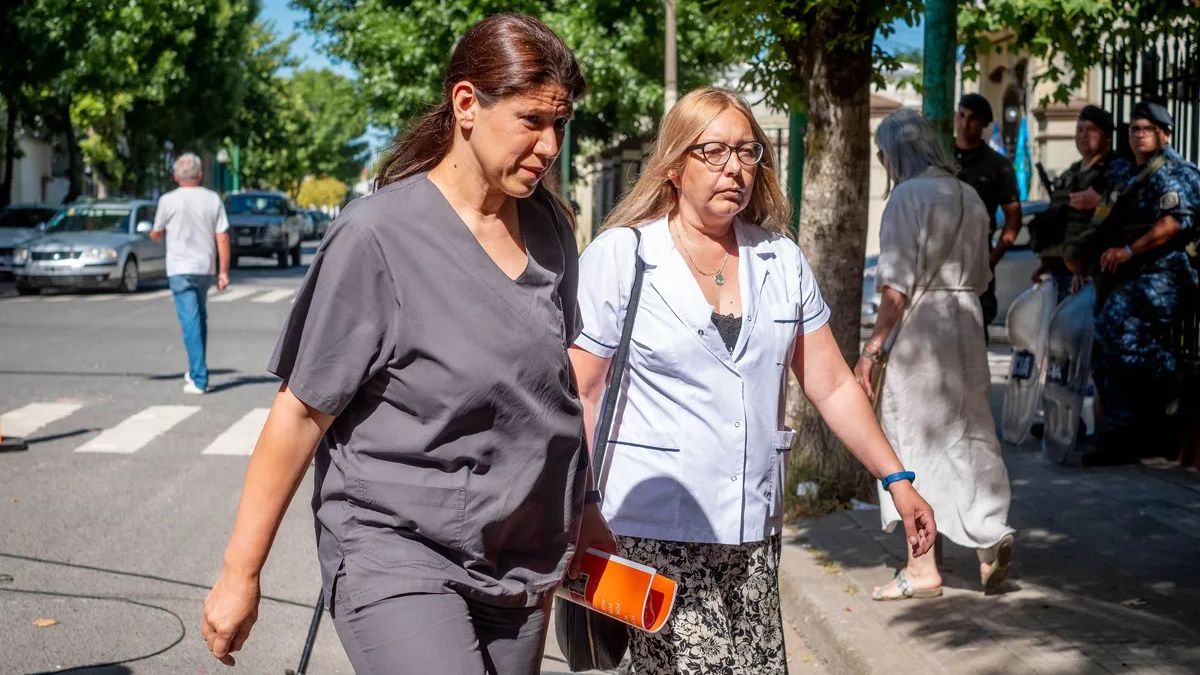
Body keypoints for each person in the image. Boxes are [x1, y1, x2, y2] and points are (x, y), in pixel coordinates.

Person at [201, 14, 614, 674]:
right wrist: (239, 573)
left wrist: (584, 510)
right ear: (466, 104)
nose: (550, 145)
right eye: (532, 120)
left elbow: (552, 394)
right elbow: (300, 413)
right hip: (396, 549)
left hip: (519, 560)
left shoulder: (551, 230)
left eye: (560, 124)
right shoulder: (376, 236)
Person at [570, 87, 936, 674]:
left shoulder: (780, 260)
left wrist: (896, 478)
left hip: (751, 531)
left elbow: (832, 385)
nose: (735, 167)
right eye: (713, 151)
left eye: (747, 151)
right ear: (673, 165)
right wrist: (583, 507)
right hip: (650, 530)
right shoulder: (624, 256)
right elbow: (582, 393)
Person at [857, 108, 1017, 600]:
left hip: (920, 332)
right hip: (966, 323)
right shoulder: (970, 196)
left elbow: (896, 289)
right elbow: (983, 277)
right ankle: (989, 534)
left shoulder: (906, 197)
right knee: (970, 434)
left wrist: (872, 350)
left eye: (883, 154)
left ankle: (921, 566)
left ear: (894, 154)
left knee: (912, 441)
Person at [1080, 101, 1200, 465]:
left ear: (1166, 134)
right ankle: (1121, 436)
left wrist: (1129, 251)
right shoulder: (1129, 174)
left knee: (1113, 329)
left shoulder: (1176, 172)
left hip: (1165, 273)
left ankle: (1179, 377)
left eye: (1147, 129)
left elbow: (1173, 223)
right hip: (1127, 275)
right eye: (1134, 129)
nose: (1139, 135)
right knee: (1103, 350)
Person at [1030, 105, 1130, 302]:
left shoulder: (1117, 170)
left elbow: (1128, 215)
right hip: (1062, 270)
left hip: (1094, 276)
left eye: (1091, 129)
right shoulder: (1071, 173)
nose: (1083, 135)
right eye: (1080, 129)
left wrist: (1099, 202)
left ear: (1107, 137)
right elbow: (1059, 220)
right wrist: (1046, 264)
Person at [151, 152, 231, 395]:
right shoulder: (213, 199)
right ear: (200, 174)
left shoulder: (167, 200)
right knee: (199, 319)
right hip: (205, 267)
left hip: (180, 268)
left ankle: (199, 378)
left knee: (191, 322)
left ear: (176, 176)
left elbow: (156, 232)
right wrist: (223, 272)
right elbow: (223, 237)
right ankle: (196, 369)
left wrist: (157, 234)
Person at [955, 93, 1023, 328]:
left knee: (975, 327)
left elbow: (1013, 219)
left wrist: (990, 260)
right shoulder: (941, 157)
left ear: (983, 124)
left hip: (977, 254)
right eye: (961, 115)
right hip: (941, 257)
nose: (964, 123)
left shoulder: (997, 165)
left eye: (972, 118)